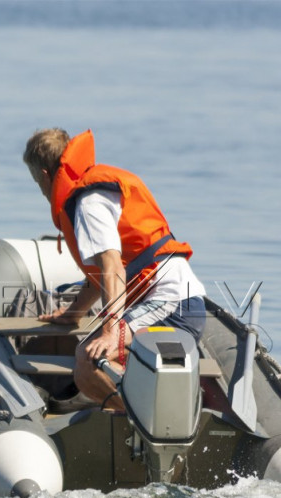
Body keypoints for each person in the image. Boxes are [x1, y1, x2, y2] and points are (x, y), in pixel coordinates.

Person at [23, 128, 207, 411]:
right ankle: (139, 416)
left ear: (46, 176)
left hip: (172, 305)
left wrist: (111, 331)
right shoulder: (98, 190)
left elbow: (112, 268)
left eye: (37, 183)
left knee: (87, 360)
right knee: (98, 355)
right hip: (177, 300)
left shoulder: (88, 203)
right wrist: (74, 313)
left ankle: (140, 423)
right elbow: (100, 278)